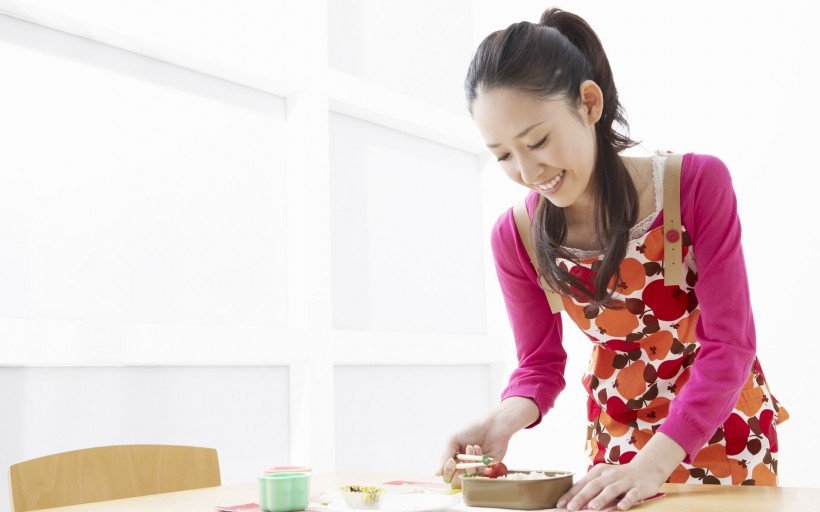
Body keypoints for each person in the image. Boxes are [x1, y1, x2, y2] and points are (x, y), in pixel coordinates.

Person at [436, 7, 788, 511]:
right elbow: (539, 363)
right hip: (617, 450)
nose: (528, 170)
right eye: (503, 155)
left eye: (537, 141)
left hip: (727, 437)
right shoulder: (515, 238)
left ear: (588, 102)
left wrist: (654, 464)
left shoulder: (695, 187)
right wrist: (501, 420)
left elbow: (730, 345)